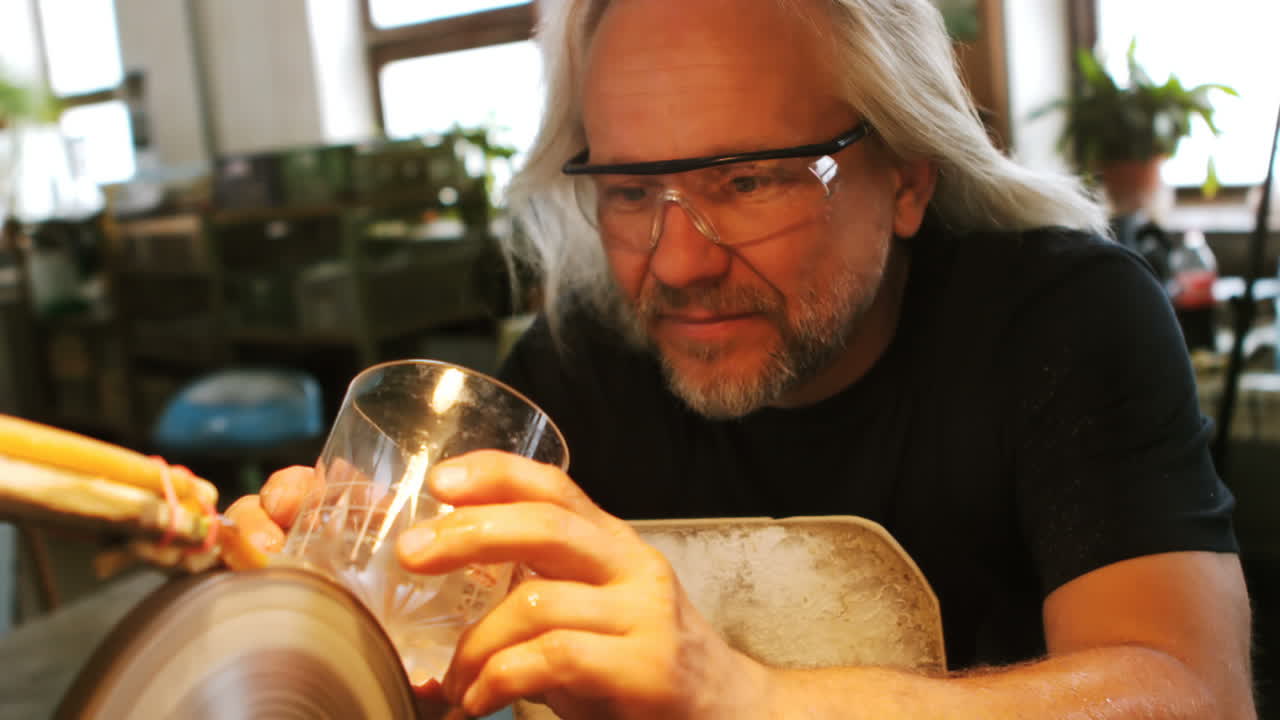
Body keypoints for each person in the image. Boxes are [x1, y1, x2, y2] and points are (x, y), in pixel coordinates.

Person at [228, 0, 1256, 717]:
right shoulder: (576, 367)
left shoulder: (1060, 321)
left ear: (904, 176)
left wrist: (744, 697)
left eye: (749, 182)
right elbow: (440, 656)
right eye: (630, 191)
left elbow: (1191, 697)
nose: (674, 263)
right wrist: (330, 622)